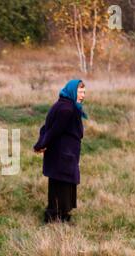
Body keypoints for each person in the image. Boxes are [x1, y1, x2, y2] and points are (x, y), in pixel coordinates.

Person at [33, 79, 87, 223]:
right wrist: (41, 144)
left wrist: (41, 143)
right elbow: (53, 131)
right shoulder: (66, 109)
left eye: (83, 92)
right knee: (61, 184)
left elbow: (46, 128)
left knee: (62, 183)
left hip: (63, 152)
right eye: (79, 91)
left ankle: (61, 215)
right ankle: (56, 217)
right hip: (63, 153)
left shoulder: (64, 105)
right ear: (71, 91)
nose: (82, 95)